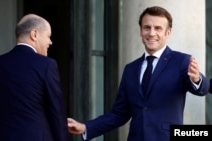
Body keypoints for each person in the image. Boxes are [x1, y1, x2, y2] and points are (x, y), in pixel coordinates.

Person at [67, 6, 210, 141]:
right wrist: (85, 127)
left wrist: (197, 79)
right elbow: (119, 114)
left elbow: (203, 89)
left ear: (168, 33)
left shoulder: (181, 61)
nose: (152, 33)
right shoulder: (131, 69)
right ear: (141, 31)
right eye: (147, 27)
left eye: (158, 28)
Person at [0, 14, 68, 141]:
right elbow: (56, 113)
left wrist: (6, 123)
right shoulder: (46, 65)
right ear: (34, 34)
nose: (50, 42)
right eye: (48, 36)